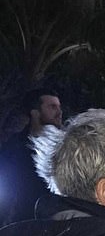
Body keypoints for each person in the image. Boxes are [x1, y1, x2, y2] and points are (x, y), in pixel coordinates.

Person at [0, 89, 63, 224]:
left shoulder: (66, 148)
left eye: (59, 107)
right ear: (35, 112)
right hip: (20, 223)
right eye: (52, 107)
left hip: (56, 223)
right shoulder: (15, 147)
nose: (59, 112)